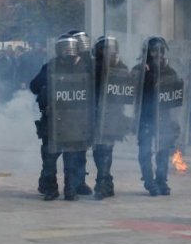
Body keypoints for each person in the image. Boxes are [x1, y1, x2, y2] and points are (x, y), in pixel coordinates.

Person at [29, 32, 93, 201]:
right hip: (54, 120)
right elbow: (34, 86)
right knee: (50, 158)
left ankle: (70, 189)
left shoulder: (85, 68)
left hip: (75, 120)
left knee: (71, 157)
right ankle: (51, 188)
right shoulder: (51, 67)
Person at [135, 36, 182, 196]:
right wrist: (147, 75)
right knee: (145, 151)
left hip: (164, 118)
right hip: (145, 118)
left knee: (163, 150)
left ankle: (161, 180)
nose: (159, 55)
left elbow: (176, 98)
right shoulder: (139, 71)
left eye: (162, 51)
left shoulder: (170, 71)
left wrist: (176, 121)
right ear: (148, 52)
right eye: (155, 51)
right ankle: (149, 181)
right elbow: (132, 94)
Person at [91, 35, 129, 200]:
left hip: (113, 113)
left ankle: (102, 181)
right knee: (98, 149)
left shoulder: (121, 68)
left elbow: (128, 88)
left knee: (106, 148)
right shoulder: (92, 67)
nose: (107, 52)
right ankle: (106, 181)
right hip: (95, 112)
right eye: (104, 48)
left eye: (110, 49)